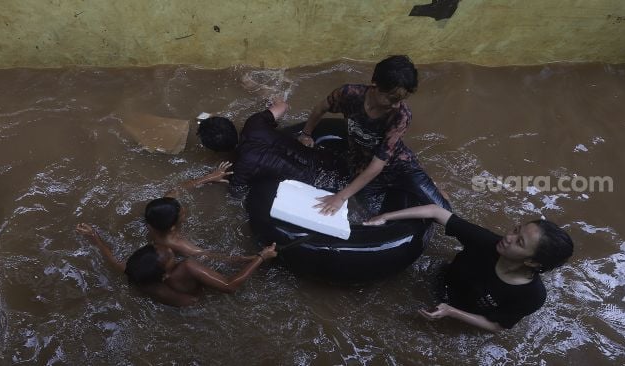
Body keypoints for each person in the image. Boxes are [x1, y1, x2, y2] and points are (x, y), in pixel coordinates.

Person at [364, 204, 574, 332]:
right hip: (439, 278)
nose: (508, 237)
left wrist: (451, 312)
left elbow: (497, 326)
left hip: (459, 312)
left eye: (519, 242)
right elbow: (436, 212)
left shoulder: (532, 296)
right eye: (516, 230)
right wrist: (386, 217)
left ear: (532, 262)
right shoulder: (488, 243)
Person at [296, 55, 451, 216]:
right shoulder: (349, 94)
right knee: (369, 216)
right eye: (392, 98)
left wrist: (340, 197)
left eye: (401, 99)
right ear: (375, 83)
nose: (396, 104)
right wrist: (306, 133)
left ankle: (434, 186)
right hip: (362, 164)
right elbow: (321, 108)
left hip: (400, 165)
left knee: (445, 210)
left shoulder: (400, 115)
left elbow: (378, 164)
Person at [76, 223, 277, 307]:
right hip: (197, 304)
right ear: (164, 274)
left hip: (176, 306)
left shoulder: (137, 273)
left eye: (158, 248)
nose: (170, 250)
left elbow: (112, 260)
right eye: (168, 257)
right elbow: (230, 286)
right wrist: (261, 256)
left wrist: (94, 237)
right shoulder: (187, 267)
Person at [197, 98, 343, 197]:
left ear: (216, 151)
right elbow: (283, 105)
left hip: (321, 187)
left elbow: (236, 193)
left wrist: (214, 177)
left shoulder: (241, 168)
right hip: (330, 161)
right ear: (231, 124)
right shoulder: (254, 122)